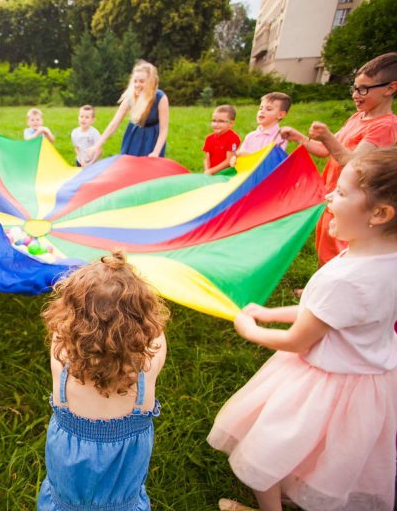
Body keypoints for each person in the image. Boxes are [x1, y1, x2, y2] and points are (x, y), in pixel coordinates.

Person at [208, 148, 397, 511]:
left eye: (341, 192)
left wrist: (250, 328)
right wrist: (270, 311)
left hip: (320, 382)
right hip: (367, 382)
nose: (329, 196)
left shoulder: (346, 279)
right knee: (327, 452)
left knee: (267, 447)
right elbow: (329, 314)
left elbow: (298, 340)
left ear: (380, 213)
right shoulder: (384, 260)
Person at [37, 250, 169, 511]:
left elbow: (59, 328)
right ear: (142, 319)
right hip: (124, 462)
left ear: (71, 316)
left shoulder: (61, 355)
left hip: (68, 456)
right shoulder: (148, 364)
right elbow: (156, 333)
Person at [281, 52, 397, 266]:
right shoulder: (357, 118)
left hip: (354, 201)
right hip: (333, 195)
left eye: (363, 89)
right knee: (325, 241)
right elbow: (327, 151)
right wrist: (299, 137)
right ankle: (321, 282)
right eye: (354, 88)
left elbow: (356, 163)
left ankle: (336, 288)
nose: (356, 94)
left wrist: (326, 136)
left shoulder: (385, 126)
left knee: (341, 249)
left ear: (390, 88)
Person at [83, 60, 169, 165]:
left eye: (142, 81)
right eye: (135, 81)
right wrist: (97, 145)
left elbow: (163, 129)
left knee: (151, 168)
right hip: (134, 135)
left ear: (150, 82)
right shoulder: (131, 97)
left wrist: (156, 152)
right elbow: (114, 123)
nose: (137, 85)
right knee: (130, 166)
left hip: (153, 138)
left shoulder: (160, 98)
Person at [233, 92, 290, 158]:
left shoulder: (280, 137)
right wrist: (235, 158)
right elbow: (240, 154)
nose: (262, 111)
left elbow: (273, 160)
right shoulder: (250, 136)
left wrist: (250, 155)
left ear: (280, 115)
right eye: (261, 108)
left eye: (269, 109)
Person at [203, 104, 241, 175]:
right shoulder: (209, 138)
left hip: (226, 174)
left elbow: (229, 160)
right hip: (211, 174)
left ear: (231, 123)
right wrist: (207, 170)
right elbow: (207, 158)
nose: (216, 124)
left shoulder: (233, 138)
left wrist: (211, 171)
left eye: (221, 121)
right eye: (214, 121)